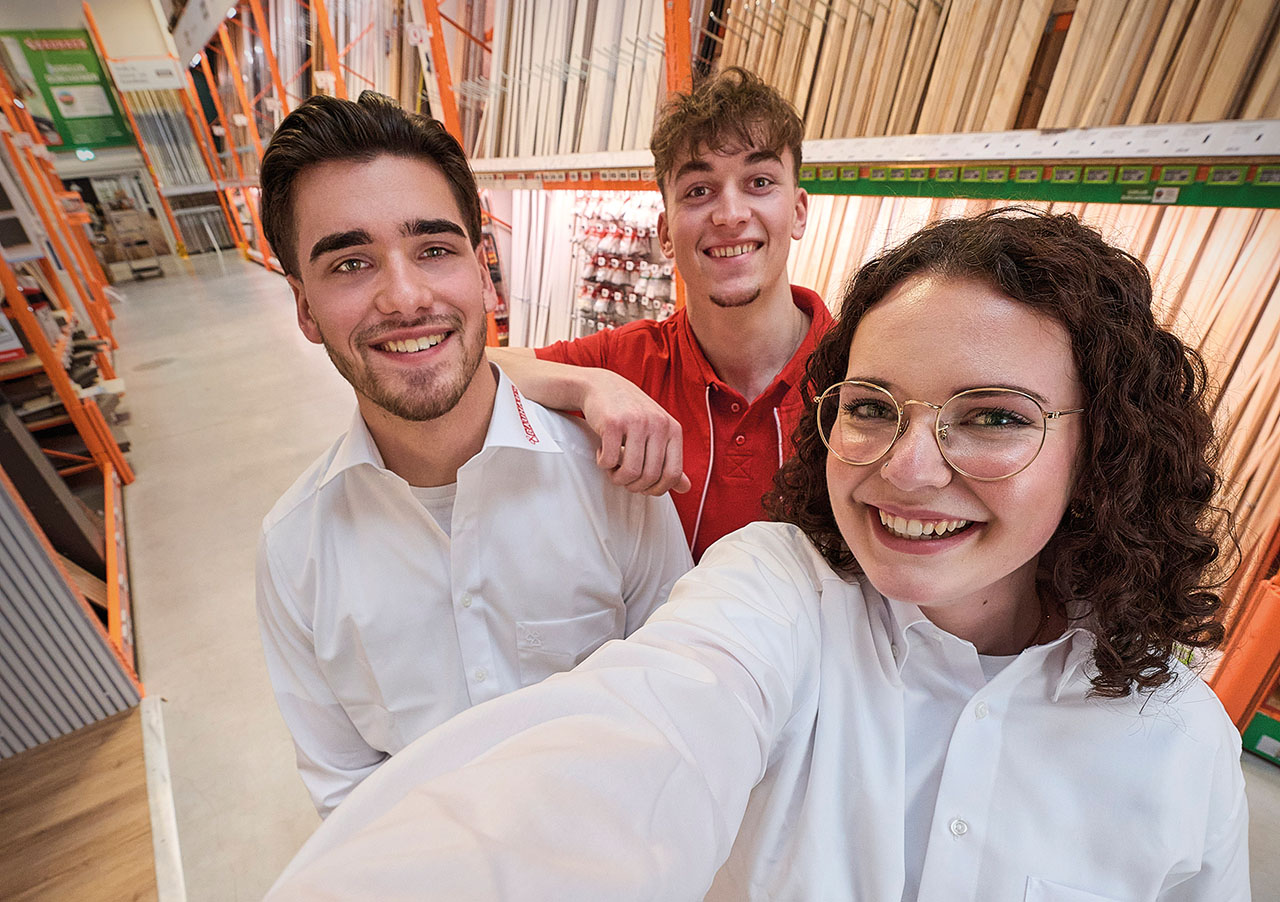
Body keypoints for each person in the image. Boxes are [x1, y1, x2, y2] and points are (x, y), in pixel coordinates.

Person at [264, 208, 1250, 901]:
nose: (905, 469)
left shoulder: (1175, 745)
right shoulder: (774, 592)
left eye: (990, 416)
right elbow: (616, 753)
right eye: (870, 406)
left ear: (1102, 447)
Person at [254, 92, 692, 818]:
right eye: (351, 263)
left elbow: (677, 703)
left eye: (434, 249)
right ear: (304, 308)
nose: (404, 297)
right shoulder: (295, 551)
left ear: (483, 273)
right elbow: (349, 798)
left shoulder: (609, 479)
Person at [492, 67, 833, 561]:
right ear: (665, 233)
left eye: (759, 182)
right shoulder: (629, 360)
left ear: (799, 211)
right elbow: (479, 366)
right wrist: (594, 386)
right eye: (699, 191)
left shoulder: (859, 370)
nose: (730, 214)